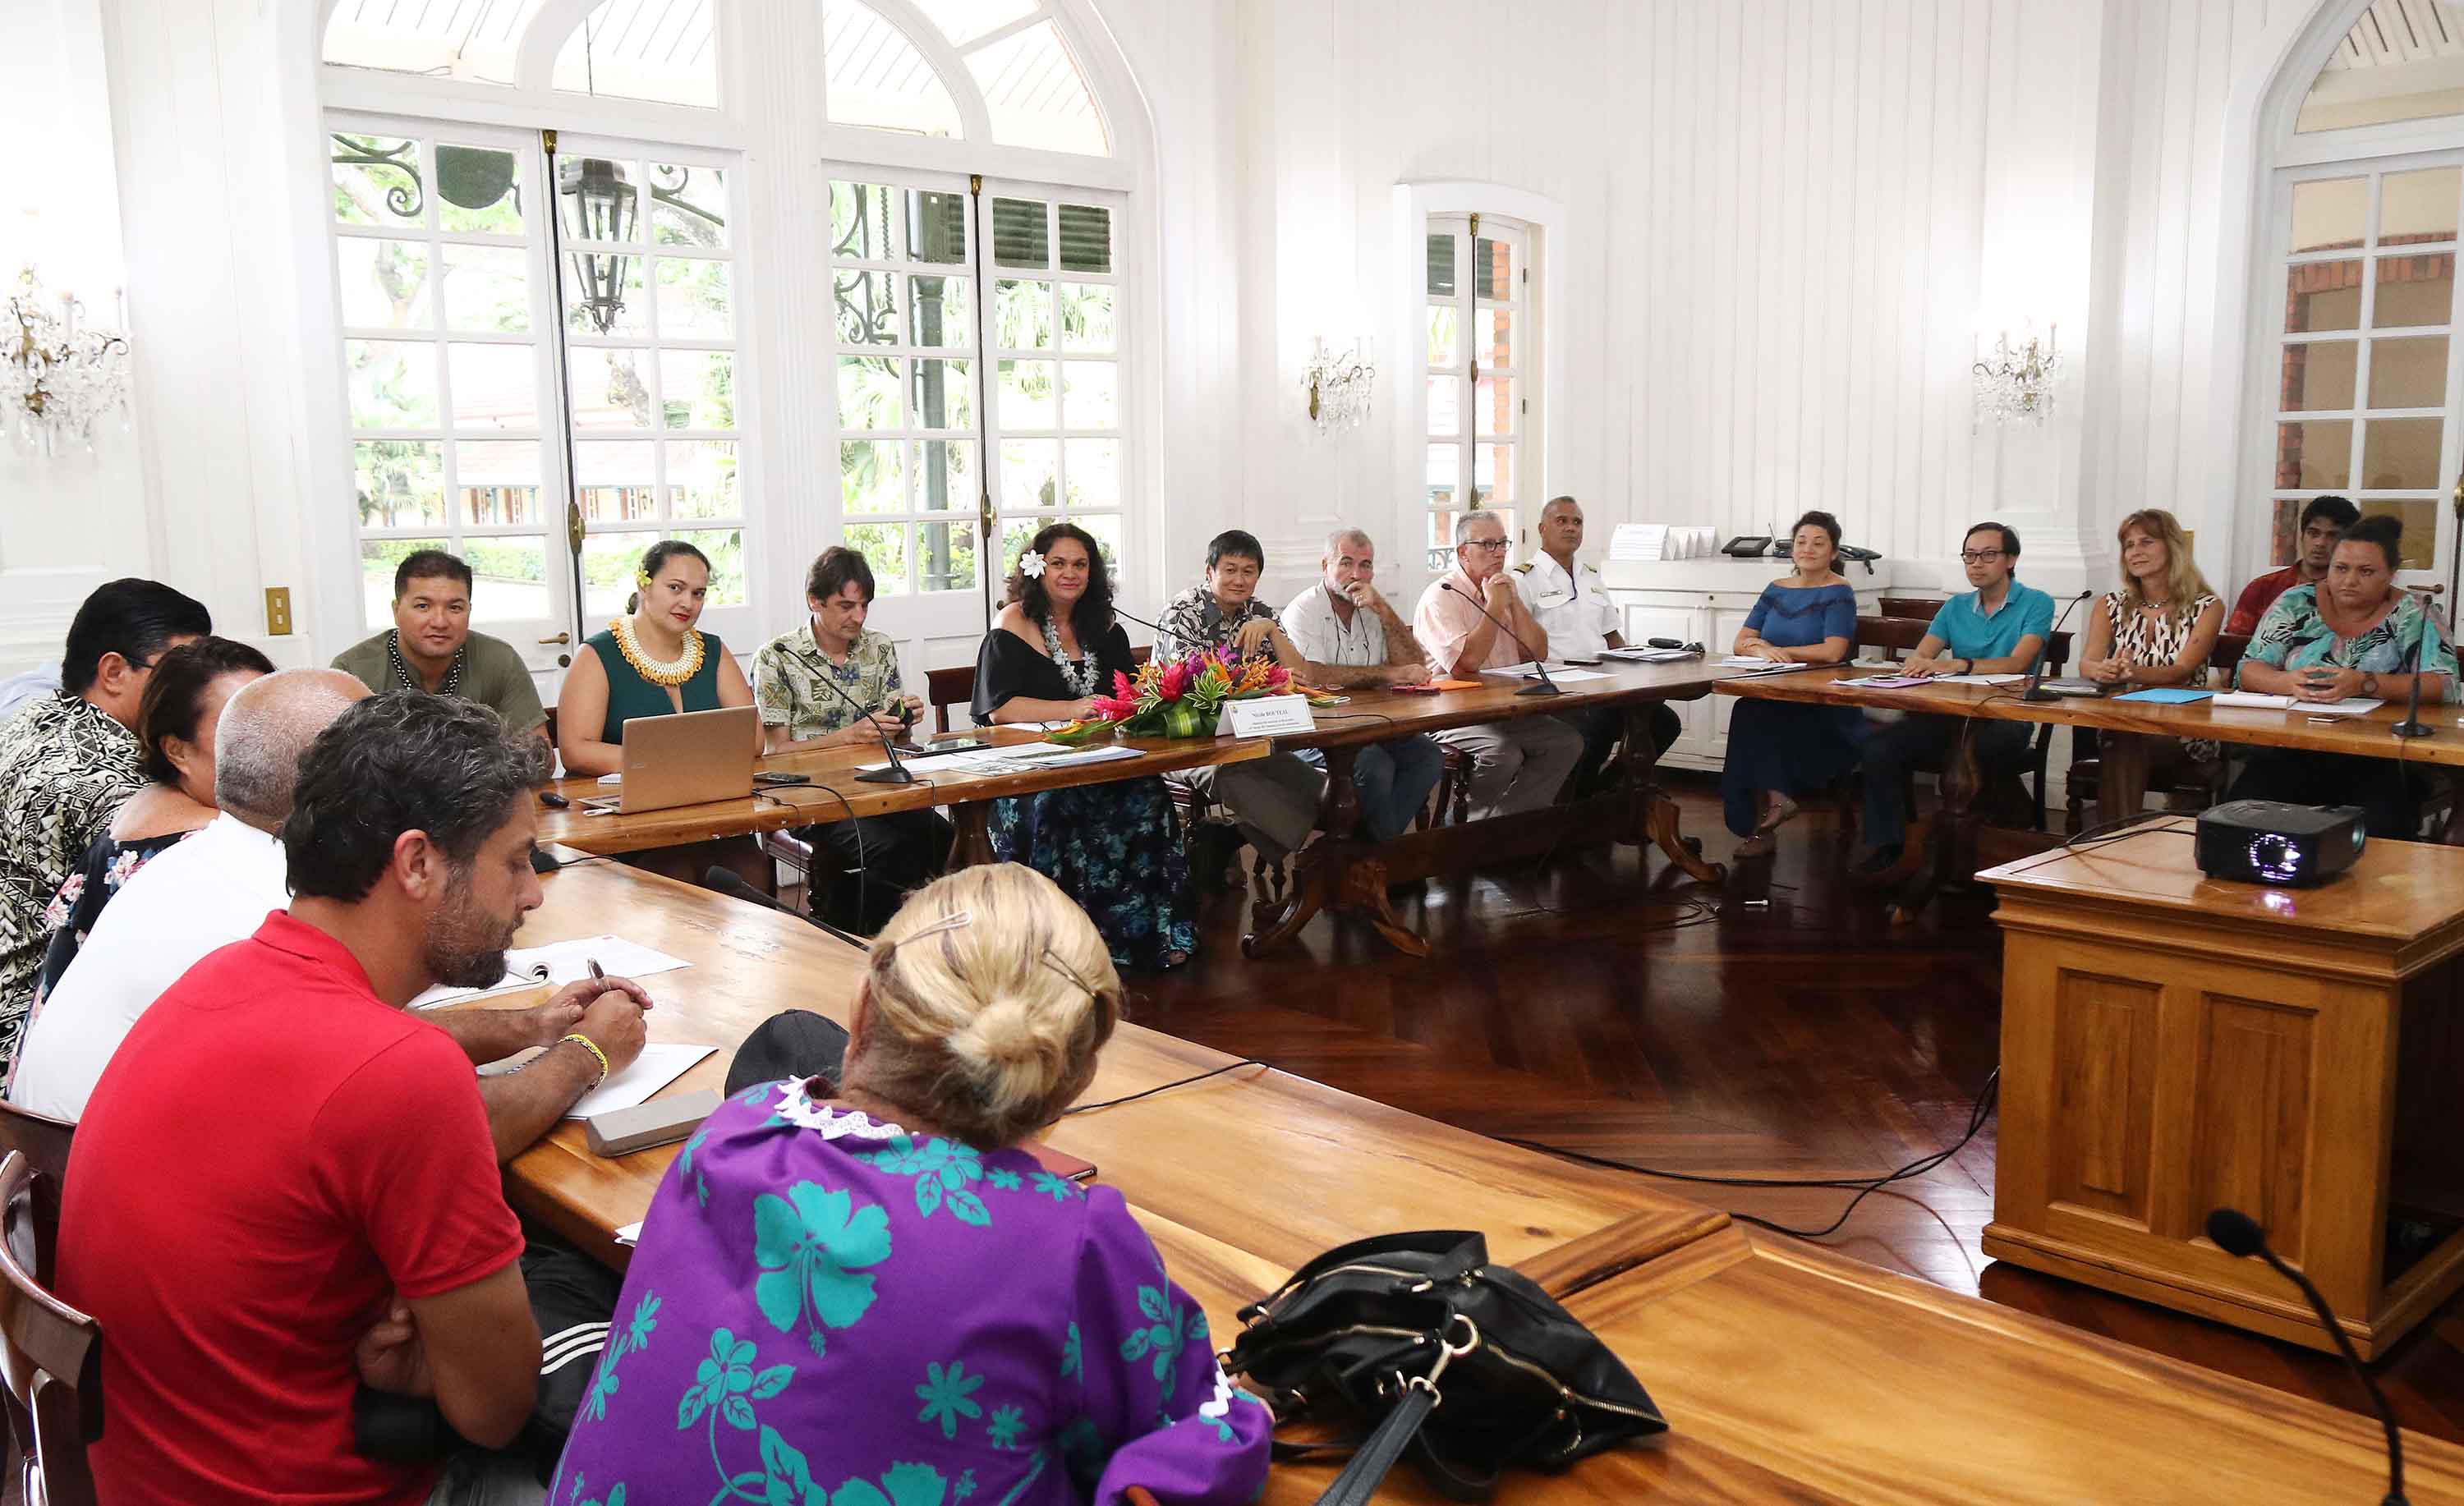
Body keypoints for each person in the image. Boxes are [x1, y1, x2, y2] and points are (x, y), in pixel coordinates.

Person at [57, 693, 646, 1504]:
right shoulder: (399, 1077)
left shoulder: (222, 978)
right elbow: (498, 1409)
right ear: (416, 864)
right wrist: (429, 1366)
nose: (534, 893)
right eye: (515, 861)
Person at [549, 862, 1273, 1506]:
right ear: (1074, 1081)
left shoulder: (738, 1128)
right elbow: (1197, 1428)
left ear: (861, 1011)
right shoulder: (1067, 1242)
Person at [12, 676, 650, 1151]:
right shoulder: (273, 910)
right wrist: (584, 1054)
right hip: (102, 1234)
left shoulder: (213, 858)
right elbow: (434, 1125)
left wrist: (531, 1026)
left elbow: (366, 1050)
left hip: (76, 1209)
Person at [0, 577, 209, 1057]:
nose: (196, 692)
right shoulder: (99, 778)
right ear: (113, 671)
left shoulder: (37, 717)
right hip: (38, 1027)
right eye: (181, 673)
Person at [972, 524, 1196, 970]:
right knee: (1058, 807)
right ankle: (1055, 950)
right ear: (1037, 569)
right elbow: (1000, 709)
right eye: (1058, 564)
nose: (1070, 573)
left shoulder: (1106, 626)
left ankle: (1145, 937)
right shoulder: (1012, 622)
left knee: (1149, 798)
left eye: (1080, 564)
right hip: (1030, 771)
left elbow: (1125, 694)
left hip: (1101, 760)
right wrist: (1072, 706)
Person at [31, 636, 274, 1003]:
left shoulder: (151, 804)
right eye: (240, 731)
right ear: (177, 749)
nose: (273, 744)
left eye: (274, 720)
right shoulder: (204, 847)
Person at [754, 547, 950, 932]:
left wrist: (902, 718)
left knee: (943, 836)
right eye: (846, 606)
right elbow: (776, 753)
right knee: (884, 849)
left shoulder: (878, 647)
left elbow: (892, 735)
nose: (857, 618)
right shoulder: (777, 657)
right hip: (814, 795)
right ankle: (871, 938)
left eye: (864, 606)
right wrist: (848, 737)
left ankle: (920, 936)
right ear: (815, 601)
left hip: (878, 784)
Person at [2229, 514, 2455, 834]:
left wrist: (2365, 683)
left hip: (2384, 757)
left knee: (2380, 820)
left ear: (2391, 574)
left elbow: (2443, 685)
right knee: (2242, 808)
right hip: (2294, 747)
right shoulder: (2296, 602)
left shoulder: (2415, 613)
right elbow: (2249, 669)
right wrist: (2286, 682)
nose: (2349, 580)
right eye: (2341, 568)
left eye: (2366, 571)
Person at [1855, 521, 2054, 879]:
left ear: (2011, 559)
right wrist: (1918, 666)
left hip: (2006, 720)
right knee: (1878, 747)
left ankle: (1959, 853)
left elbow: (2018, 663)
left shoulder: (2036, 602)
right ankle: (1891, 847)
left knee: (1966, 753)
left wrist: (1959, 664)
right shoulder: (1955, 608)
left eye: (1988, 555)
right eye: (1970, 556)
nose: (1977, 563)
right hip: (1949, 716)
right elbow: (1922, 656)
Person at [1153, 530, 1328, 865]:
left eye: (1248, 572)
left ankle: (1225, 838)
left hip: (1247, 737)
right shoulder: (1183, 612)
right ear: (1210, 572)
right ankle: (1314, 852)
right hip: (1187, 740)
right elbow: (1193, 693)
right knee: (1238, 777)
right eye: (1229, 570)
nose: (1239, 580)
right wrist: (1264, 683)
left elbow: (1300, 675)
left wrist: (1272, 631)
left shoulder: (1259, 611)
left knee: (1306, 780)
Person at [1412, 512, 1584, 819]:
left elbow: (1537, 653)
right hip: (1451, 713)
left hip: (1504, 707)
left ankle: (1505, 825)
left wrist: (1514, 603)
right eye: (1488, 544)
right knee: (1501, 753)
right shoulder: (1441, 596)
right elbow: (1466, 664)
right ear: (1463, 552)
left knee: (1566, 742)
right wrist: (1493, 605)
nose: (1500, 552)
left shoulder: (1502, 589)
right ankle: (1465, 826)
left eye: (1503, 543)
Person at [1280, 528, 1447, 841]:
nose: (1356, 574)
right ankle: (1380, 859)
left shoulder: (1372, 608)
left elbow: (1414, 666)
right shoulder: (1303, 609)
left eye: (1366, 565)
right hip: (1316, 729)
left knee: (1428, 757)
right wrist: (1386, 675)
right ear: (1325, 566)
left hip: (1372, 723)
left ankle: (1369, 854)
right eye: (1346, 563)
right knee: (1375, 766)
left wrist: (1383, 610)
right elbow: (1313, 675)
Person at [1515, 496, 1681, 794]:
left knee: (1663, 722)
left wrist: (1637, 669)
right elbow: (1518, 649)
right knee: (1597, 726)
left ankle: (1602, 792)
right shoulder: (1523, 580)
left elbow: (1612, 637)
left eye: (1577, 522)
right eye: (1561, 521)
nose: (1571, 528)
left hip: (1601, 683)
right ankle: (1573, 804)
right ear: (1542, 528)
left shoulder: (1590, 576)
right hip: (1555, 687)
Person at [1721, 512, 1862, 856]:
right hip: (1776, 693)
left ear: (1833, 552)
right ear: (1791, 548)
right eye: (1801, 541)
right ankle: (1771, 807)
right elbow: (1741, 642)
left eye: (1819, 543)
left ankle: (1760, 824)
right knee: (1749, 709)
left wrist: (1779, 651)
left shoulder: (1839, 591)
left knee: (1754, 715)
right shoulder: (1776, 589)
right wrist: (1762, 648)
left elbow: (1833, 650)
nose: (1808, 549)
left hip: (1824, 702)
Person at [557, 539, 757, 777]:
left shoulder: (714, 650)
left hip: (709, 789)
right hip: (619, 803)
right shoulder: (596, 654)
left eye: (698, 593)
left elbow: (754, 739)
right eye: (675, 588)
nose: (688, 603)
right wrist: (676, 761)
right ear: (643, 585)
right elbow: (576, 752)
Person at [332, 548, 550, 742]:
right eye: (423, 606)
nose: (440, 622)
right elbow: (335, 768)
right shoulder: (353, 670)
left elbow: (540, 757)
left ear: (469, 611)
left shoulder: (499, 659)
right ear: (396, 611)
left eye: (454, 608)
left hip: (478, 788)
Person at [2226, 495, 2361, 636]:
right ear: (2302, 536)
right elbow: (2234, 647)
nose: (2320, 543)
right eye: (2313, 533)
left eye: (2332, 535)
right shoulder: (2262, 588)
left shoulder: (2354, 592)